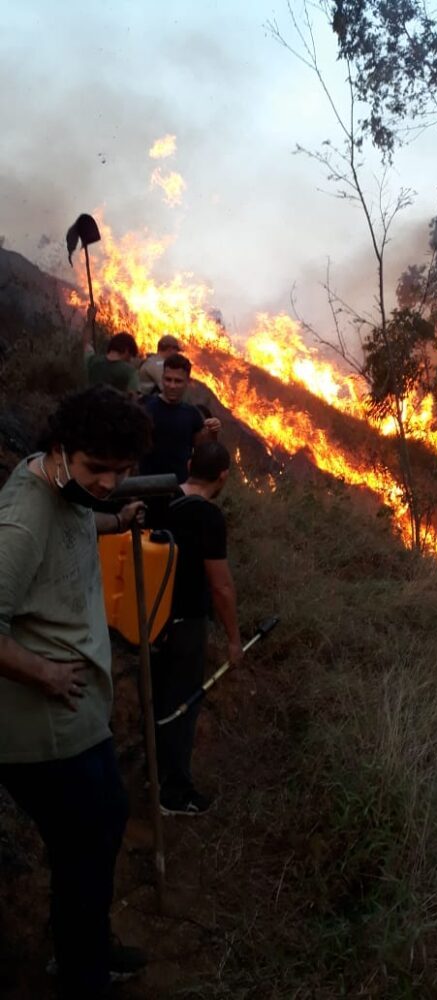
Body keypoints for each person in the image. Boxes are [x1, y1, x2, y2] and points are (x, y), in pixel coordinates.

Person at [0, 385, 152, 999]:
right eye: (98, 469)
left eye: (122, 472)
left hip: (76, 716)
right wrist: (44, 672)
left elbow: (81, 516)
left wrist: (115, 519)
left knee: (94, 832)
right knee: (87, 847)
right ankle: (84, 971)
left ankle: (79, 941)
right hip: (46, 726)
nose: (109, 482)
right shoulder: (21, 519)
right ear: (60, 451)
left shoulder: (67, 488)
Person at [153, 441, 243, 817]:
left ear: (189, 464)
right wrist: (235, 639)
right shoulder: (208, 517)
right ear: (223, 476)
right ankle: (174, 793)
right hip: (185, 624)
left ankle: (155, 772)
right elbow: (221, 586)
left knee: (158, 696)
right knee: (183, 705)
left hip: (149, 619)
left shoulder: (163, 497)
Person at [140, 352, 221, 486]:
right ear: (162, 378)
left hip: (178, 489)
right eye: (168, 379)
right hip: (145, 486)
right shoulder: (146, 408)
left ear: (188, 382)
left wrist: (213, 431)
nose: (172, 385)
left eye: (178, 381)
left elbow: (204, 451)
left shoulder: (192, 414)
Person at [83, 306, 140, 395]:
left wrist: (89, 321)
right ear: (126, 350)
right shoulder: (130, 372)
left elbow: (86, 343)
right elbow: (133, 397)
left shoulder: (92, 362)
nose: (130, 360)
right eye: (130, 356)